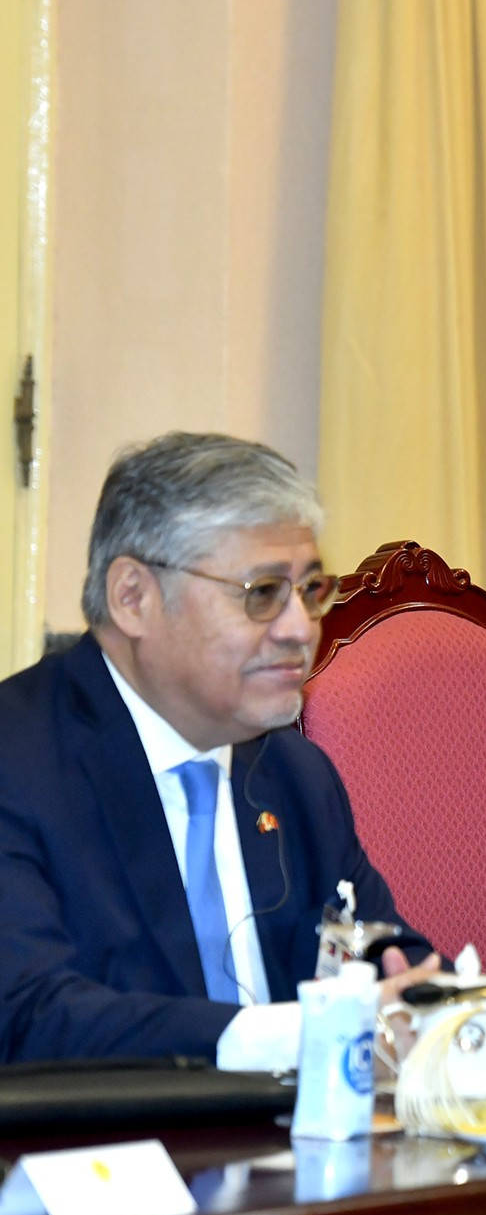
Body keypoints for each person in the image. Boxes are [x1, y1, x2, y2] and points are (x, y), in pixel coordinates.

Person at [0, 432, 434, 1066]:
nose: (299, 629)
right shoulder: (19, 760)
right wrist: (282, 1036)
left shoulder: (296, 773)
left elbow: (388, 958)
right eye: (262, 593)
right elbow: (29, 1016)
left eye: (311, 591)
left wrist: (429, 1002)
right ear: (133, 597)